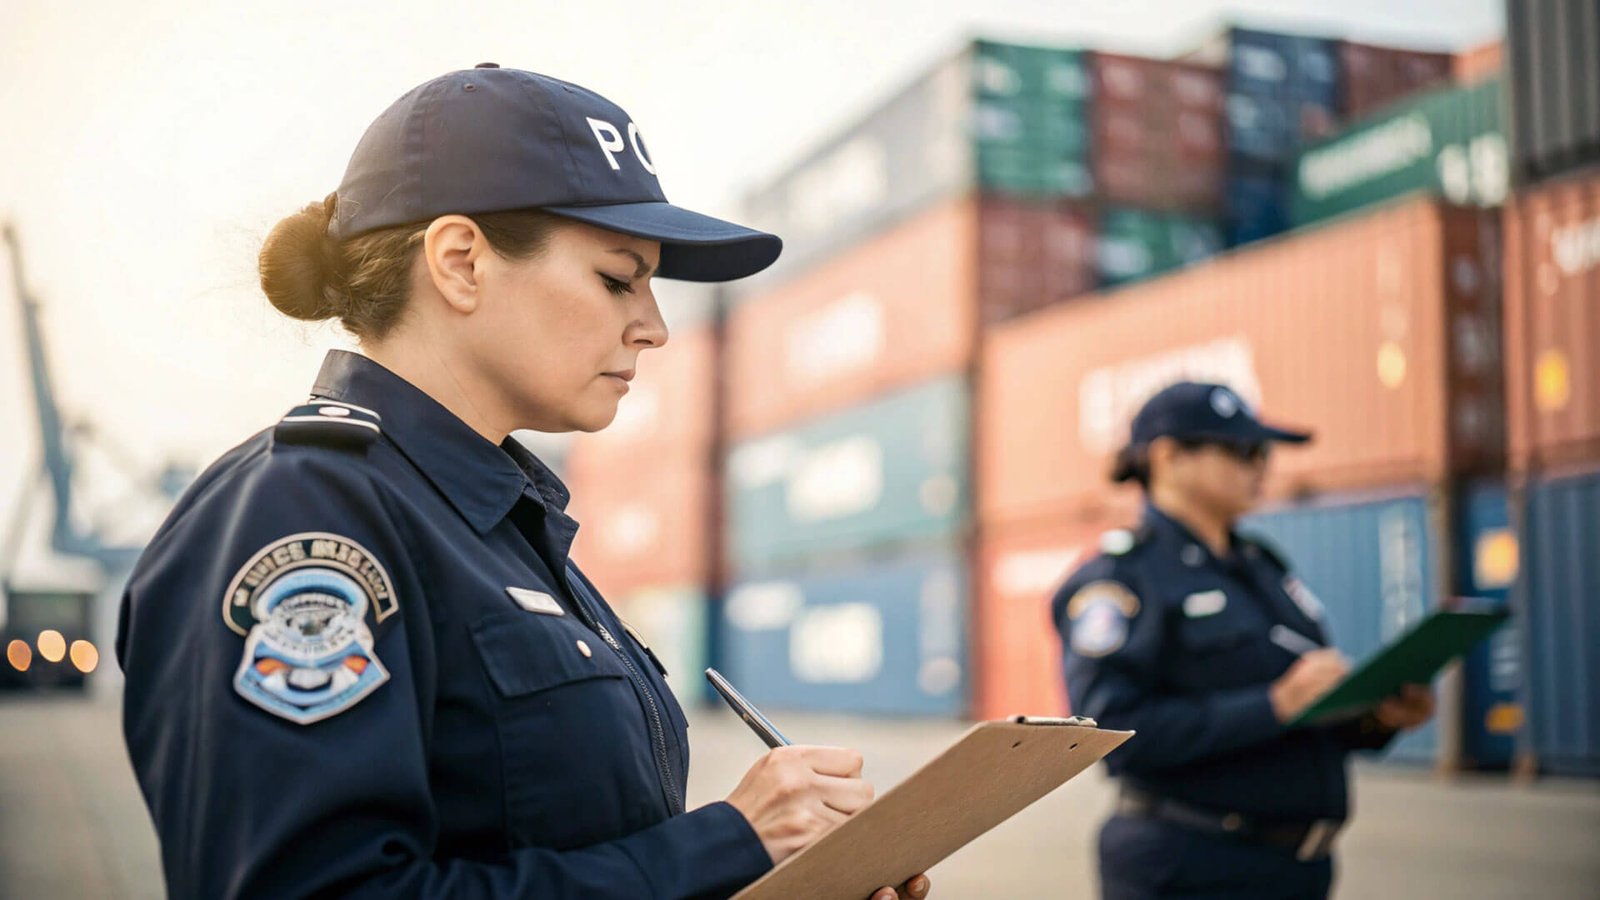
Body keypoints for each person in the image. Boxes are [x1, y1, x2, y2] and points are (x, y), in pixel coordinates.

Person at [117, 64, 931, 900]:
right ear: (462, 262)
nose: (652, 326)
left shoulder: (500, 529)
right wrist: (725, 845)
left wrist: (778, 877)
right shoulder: (304, 515)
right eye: (619, 278)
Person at [1052, 381, 1435, 899]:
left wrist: (1373, 718)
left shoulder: (1263, 567)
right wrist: (1273, 704)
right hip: (1189, 866)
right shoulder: (1122, 580)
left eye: (1265, 452)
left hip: (1296, 869)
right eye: (1243, 451)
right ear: (1168, 457)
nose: (1262, 466)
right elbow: (1110, 734)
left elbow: (1303, 716)